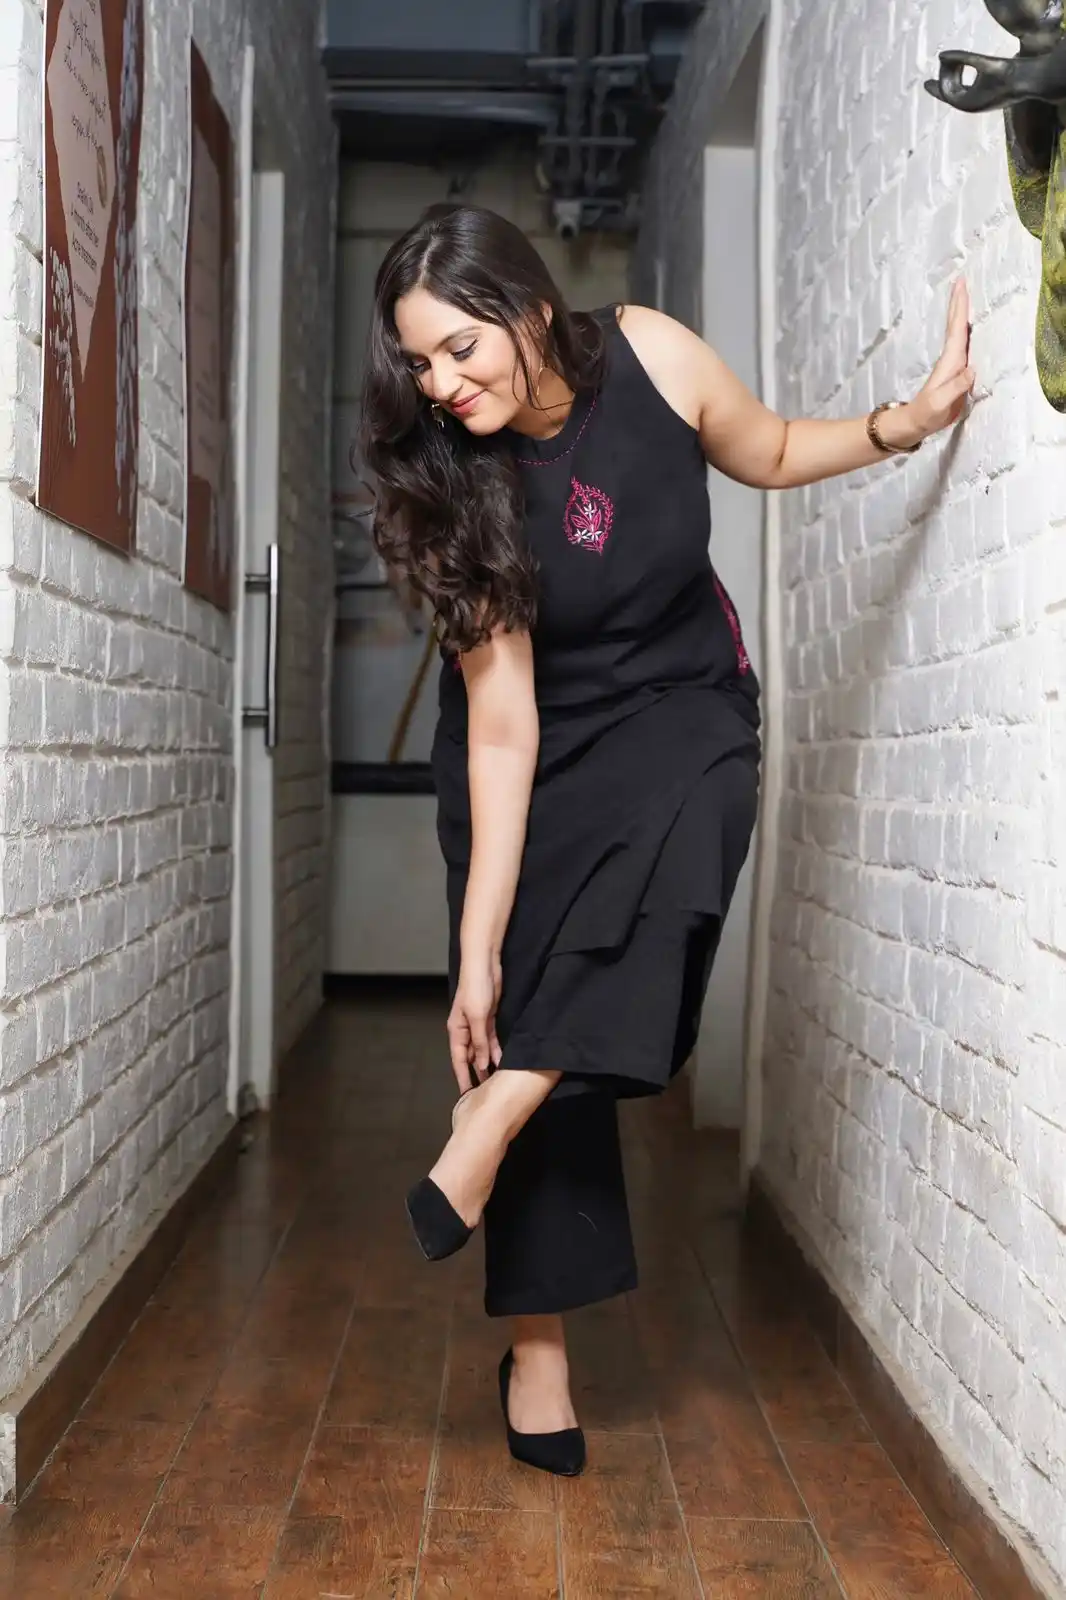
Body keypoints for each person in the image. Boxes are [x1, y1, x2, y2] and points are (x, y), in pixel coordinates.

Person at [361, 203, 974, 1477]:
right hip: (529, 756)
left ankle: (497, 1109)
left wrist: (901, 423)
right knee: (526, 997)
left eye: (462, 348)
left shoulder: (648, 351)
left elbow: (768, 447)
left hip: (683, 704)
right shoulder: (456, 483)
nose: (443, 384)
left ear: (532, 307)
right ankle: (536, 1355)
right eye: (420, 363)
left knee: (697, 836)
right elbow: (504, 732)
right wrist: (476, 953)